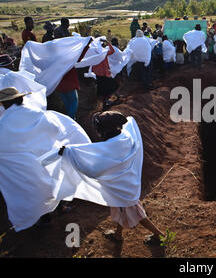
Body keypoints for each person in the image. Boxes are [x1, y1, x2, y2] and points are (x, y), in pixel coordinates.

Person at [58, 111, 166, 245]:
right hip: (127, 183)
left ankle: (160, 235)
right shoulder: (125, 136)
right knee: (121, 207)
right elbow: (129, 126)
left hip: (122, 188)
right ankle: (118, 235)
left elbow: (94, 171)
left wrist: (69, 152)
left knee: (136, 213)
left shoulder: (109, 147)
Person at [0, 87, 91, 232]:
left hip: (24, 166)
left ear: (5, 104)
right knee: (56, 181)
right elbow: (54, 129)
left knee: (33, 192)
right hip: (48, 157)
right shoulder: (37, 113)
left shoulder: (3, 123)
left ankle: (43, 218)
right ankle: (61, 206)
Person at [91, 39, 119, 110]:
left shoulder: (93, 53)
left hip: (97, 73)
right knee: (112, 86)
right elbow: (112, 51)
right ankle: (105, 101)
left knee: (101, 87)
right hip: (104, 73)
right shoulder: (103, 53)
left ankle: (103, 102)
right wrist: (108, 42)